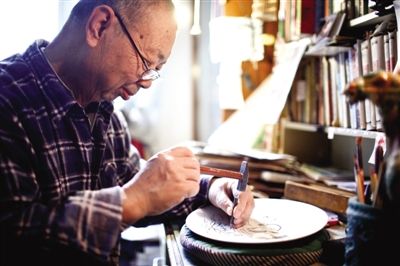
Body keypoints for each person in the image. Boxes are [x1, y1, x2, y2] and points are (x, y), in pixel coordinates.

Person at [0, 0, 254, 265]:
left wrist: (211, 189)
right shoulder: (7, 100)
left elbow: (134, 181)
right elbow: (14, 236)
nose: (146, 83)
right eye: (147, 62)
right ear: (99, 26)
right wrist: (134, 200)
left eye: (155, 72)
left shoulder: (104, 111)